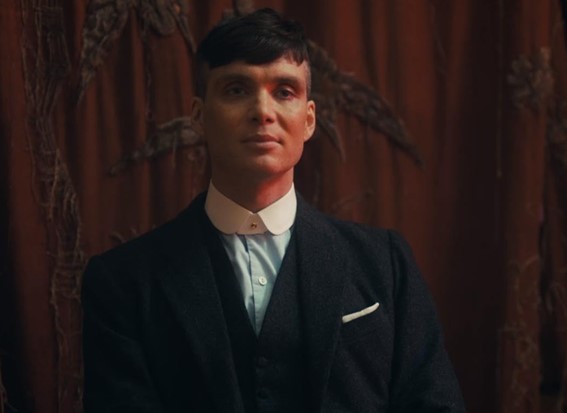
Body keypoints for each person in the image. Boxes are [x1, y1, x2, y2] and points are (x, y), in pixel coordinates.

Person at [82, 8, 466, 413]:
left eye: (284, 92)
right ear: (198, 117)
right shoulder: (122, 282)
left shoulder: (386, 264)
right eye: (236, 90)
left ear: (309, 119)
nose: (262, 111)